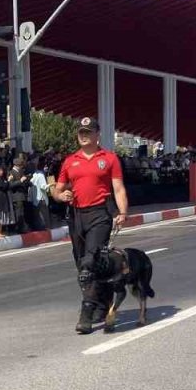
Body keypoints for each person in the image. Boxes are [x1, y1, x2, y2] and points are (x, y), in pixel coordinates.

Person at [51, 117, 130, 334]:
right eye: (81, 132)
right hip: (77, 215)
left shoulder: (109, 158)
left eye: (88, 131)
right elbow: (56, 190)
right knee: (81, 263)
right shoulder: (70, 161)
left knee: (90, 262)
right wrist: (60, 195)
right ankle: (102, 305)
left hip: (100, 214)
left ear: (98, 134)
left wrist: (122, 212)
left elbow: (119, 188)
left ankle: (86, 313)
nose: (84, 135)